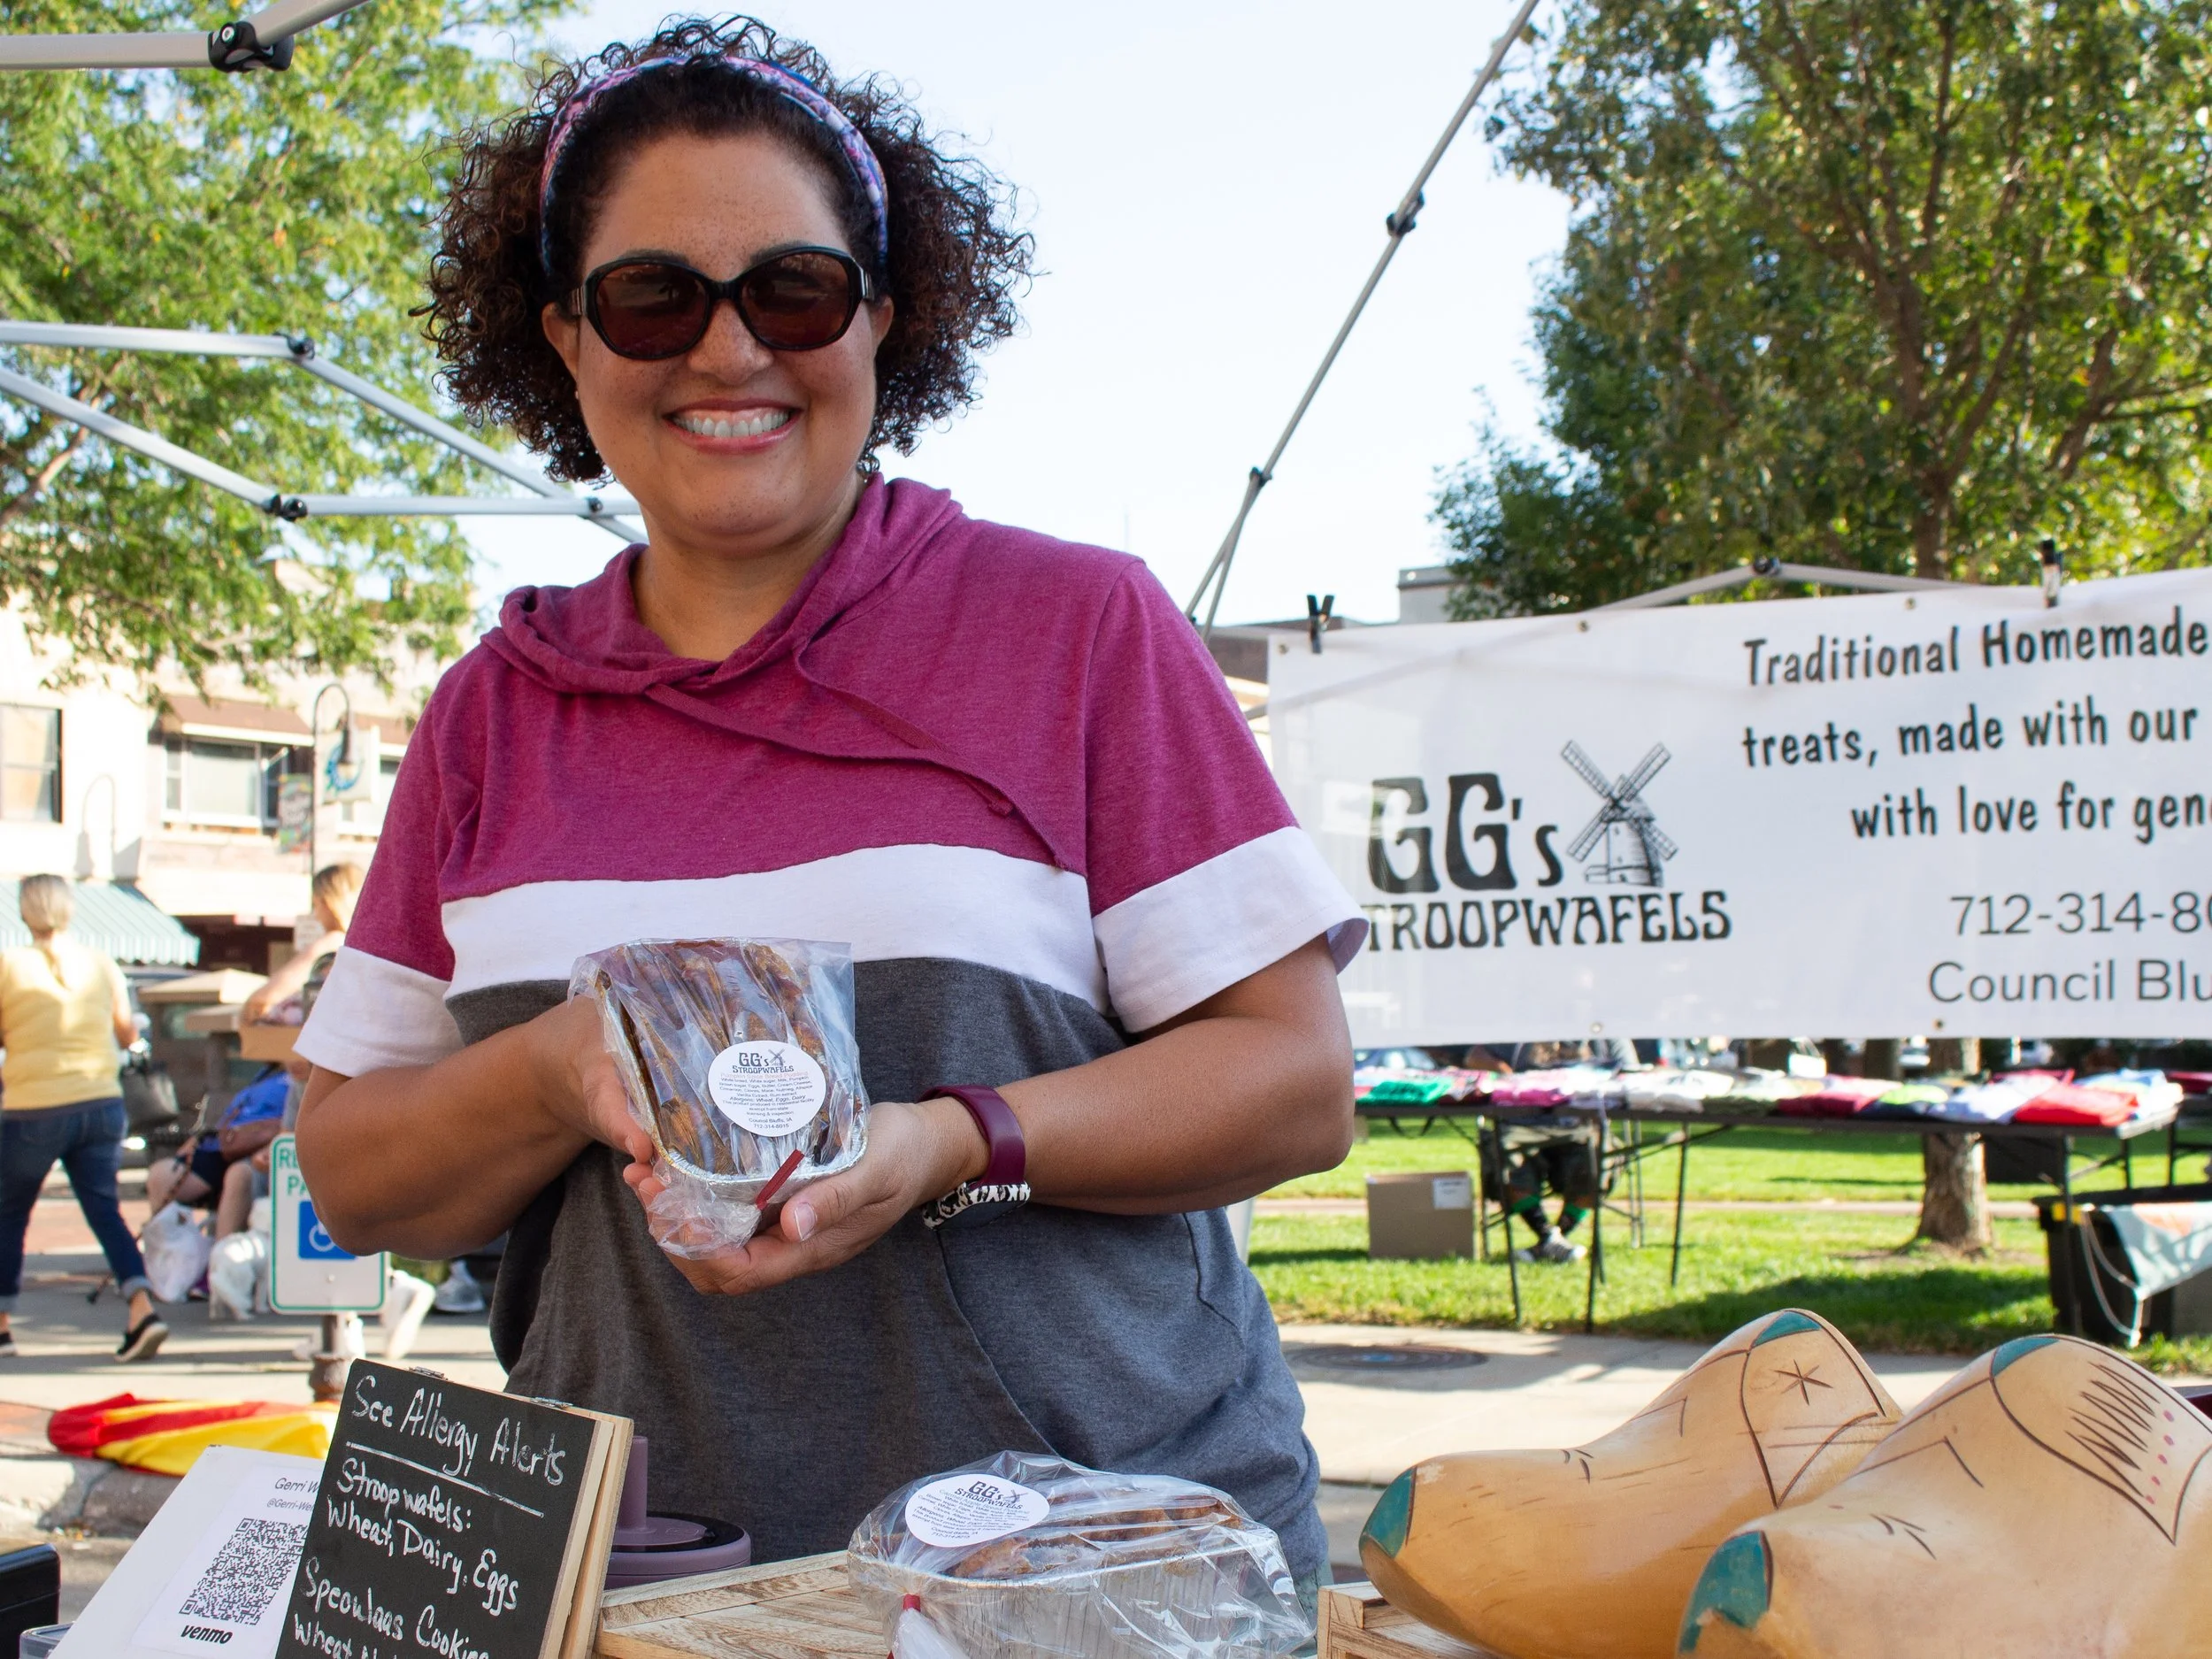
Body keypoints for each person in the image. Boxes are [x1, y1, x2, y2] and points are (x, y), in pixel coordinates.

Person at [293, 16, 1363, 1596]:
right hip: (653, 1590)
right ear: (566, 341)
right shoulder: (493, 712)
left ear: (881, 318)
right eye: (651, 298)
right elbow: (357, 1170)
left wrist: (954, 1140)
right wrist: (558, 1068)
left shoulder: (1073, 629)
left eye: (791, 290)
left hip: (1095, 1582)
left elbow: (1294, 1080)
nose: (728, 352)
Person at [0, 875, 167, 1360]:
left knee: (10, 1216)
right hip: (100, 1103)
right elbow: (122, 1032)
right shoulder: (100, 963)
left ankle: (4, 1325)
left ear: (25, 912)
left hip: (34, 1107)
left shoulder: (10, 965)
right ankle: (142, 1308)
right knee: (104, 1211)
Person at [1486, 1039, 1638, 1265]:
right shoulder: (1522, 1025)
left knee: (1602, 1153)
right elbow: (1475, 1055)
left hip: (1583, 1124)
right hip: (1524, 1123)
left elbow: (1632, 1075)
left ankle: (1551, 1240)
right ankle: (1549, 1237)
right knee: (1502, 1148)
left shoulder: (1606, 1032)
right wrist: (1510, 1076)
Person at [145, 1065, 288, 1240]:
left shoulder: (304, 1079)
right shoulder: (265, 1073)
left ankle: (221, 1257)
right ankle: (168, 1255)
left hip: (265, 1150)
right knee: (161, 1175)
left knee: (238, 1174)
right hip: (222, 1145)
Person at [238, 863, 365, 1026]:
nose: (316, 915)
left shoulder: (333, 944)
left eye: (316, 904)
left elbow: (262, 999)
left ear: (328, 904)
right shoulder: (367, 948)